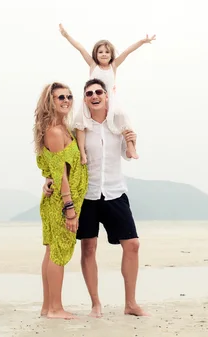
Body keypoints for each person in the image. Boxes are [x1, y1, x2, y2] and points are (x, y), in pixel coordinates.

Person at [43, 78, 148, 318]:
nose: (94, 96)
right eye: (89, 93)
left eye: (99, 91)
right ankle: (95, 305)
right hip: (87, 196)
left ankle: (130, 303)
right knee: (88, 248)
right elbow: (61, 159)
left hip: (115, 192)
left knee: (132, 245)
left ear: (106, 96)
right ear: (85, 98)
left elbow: (128, 154)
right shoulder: (79, 128)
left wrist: (132, 141)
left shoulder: (117, 124)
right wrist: (48, 180)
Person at [58, 23, 156, 164]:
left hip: (110, 100)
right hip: (91, 98)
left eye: (107, 52)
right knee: (80, 123)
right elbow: (80, 47)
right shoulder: (93, 65)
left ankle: (130, 146)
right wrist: (66, 35)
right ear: (96, 55)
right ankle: (82, 154)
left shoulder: (113, 66)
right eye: (100, 52)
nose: (104, 54)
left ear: (111, 55)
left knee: (122, 117)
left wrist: (142, 42)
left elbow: (127, 52)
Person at [33, 82, 88, 319]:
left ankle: (48, 307)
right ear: (50, 102)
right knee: (58, 253)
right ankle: (55, 308)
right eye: (60, 98)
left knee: (51, 253)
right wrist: (69, 209)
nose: (66, 100)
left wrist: (47, 180)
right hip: (61, 204)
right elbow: (61, 174)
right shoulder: (55, 132)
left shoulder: (61, 128)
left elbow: (50, 169)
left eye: (68, 96)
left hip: (57, 199)